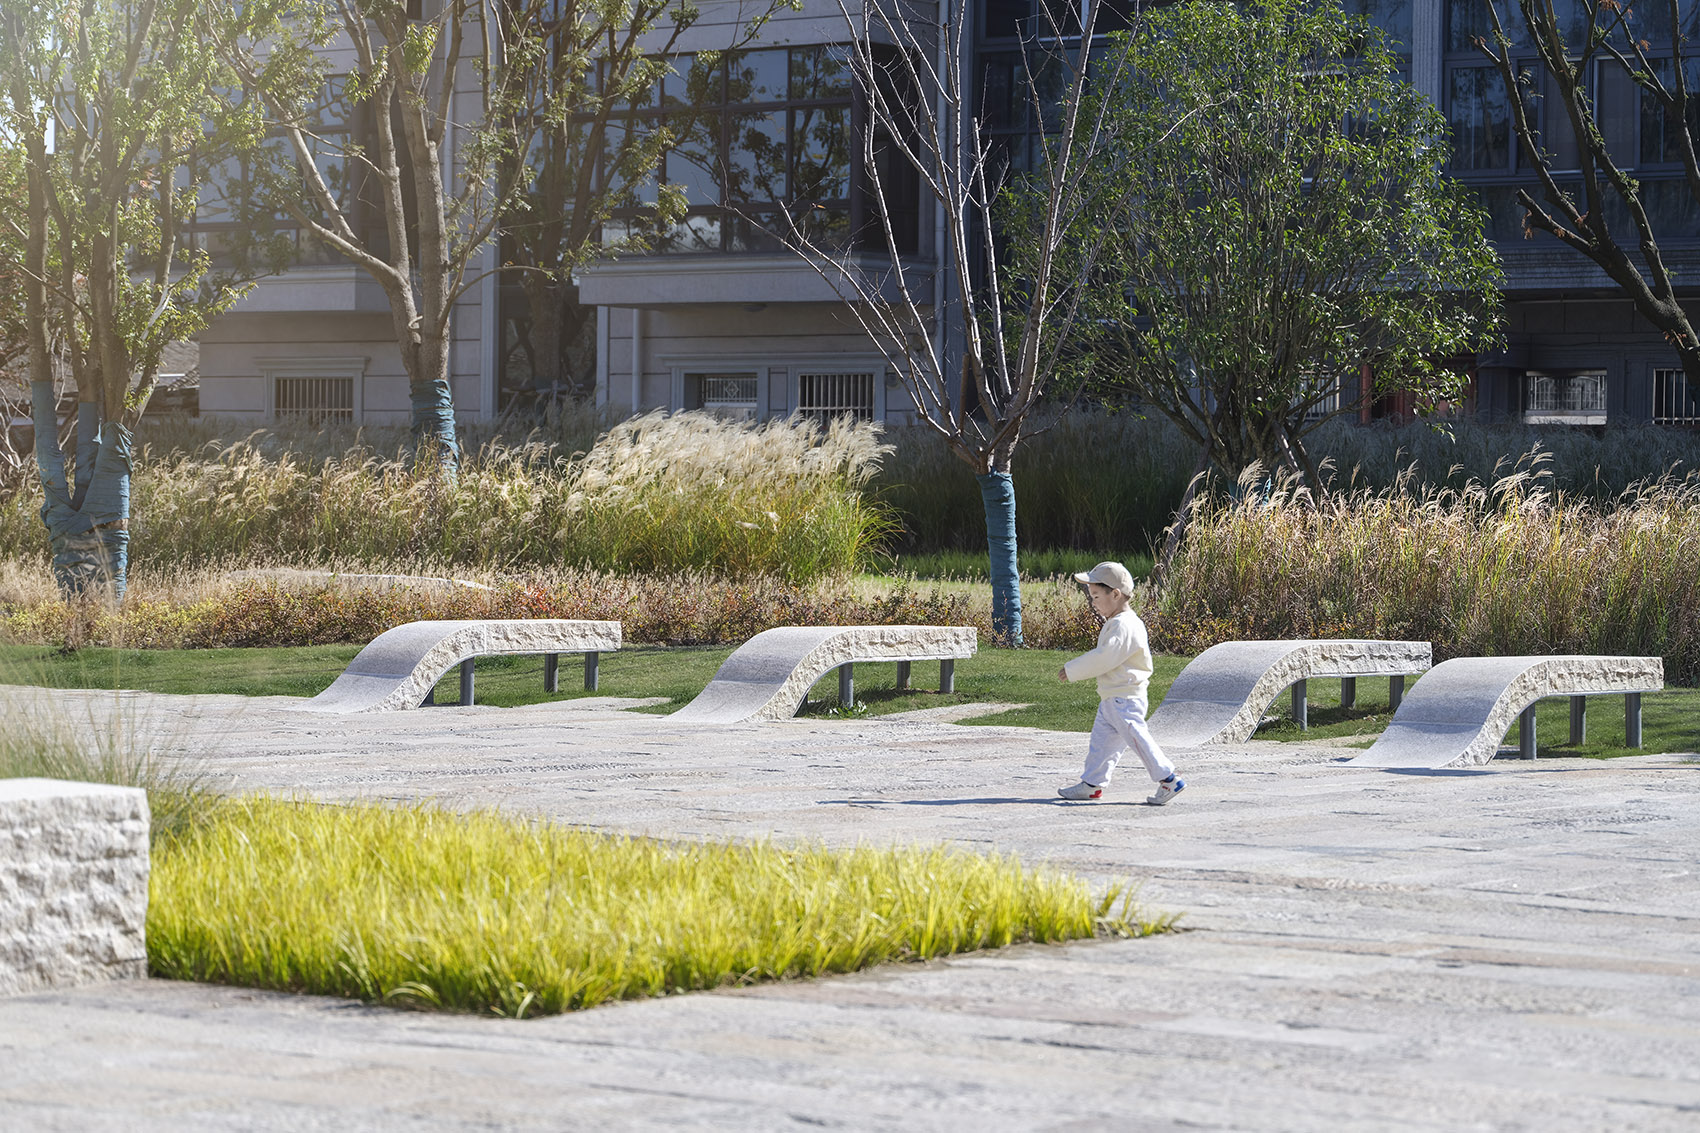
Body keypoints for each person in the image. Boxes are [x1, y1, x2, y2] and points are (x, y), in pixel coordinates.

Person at [1056, 561, 1185, 805]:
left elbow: (1105, 657)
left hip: (1124, 698)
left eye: (1096, 596)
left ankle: (1169, 779)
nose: (1093, 602)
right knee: (1102, 744)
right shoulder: (1119, 622)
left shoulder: (1123, 625)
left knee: (1137, 738)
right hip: (1113, 697)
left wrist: (1072, 670)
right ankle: (1092, 784)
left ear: (1115, 594)